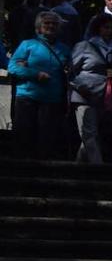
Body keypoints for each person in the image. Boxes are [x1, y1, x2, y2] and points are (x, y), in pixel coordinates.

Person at [8, 11, 71, 160]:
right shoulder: (27, 45)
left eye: (54, 24)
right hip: (27, 96)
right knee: (24, 136)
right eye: (47, 23)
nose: (51, 26)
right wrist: (35, 74)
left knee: (46, 139)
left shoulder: (65, 49)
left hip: (52, 99)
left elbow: (70, 71)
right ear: (39, 27)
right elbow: (12, 67)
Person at [69, 13, 112, 164]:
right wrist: (78, 86)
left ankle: (77, 168)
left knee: (91, 134)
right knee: (90, 133)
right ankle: (98, 167)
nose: (109, 31)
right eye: (106, 27)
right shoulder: (84, 46)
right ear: (98, 28)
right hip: (85, 94)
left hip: (106, 97)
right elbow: (70, 71)